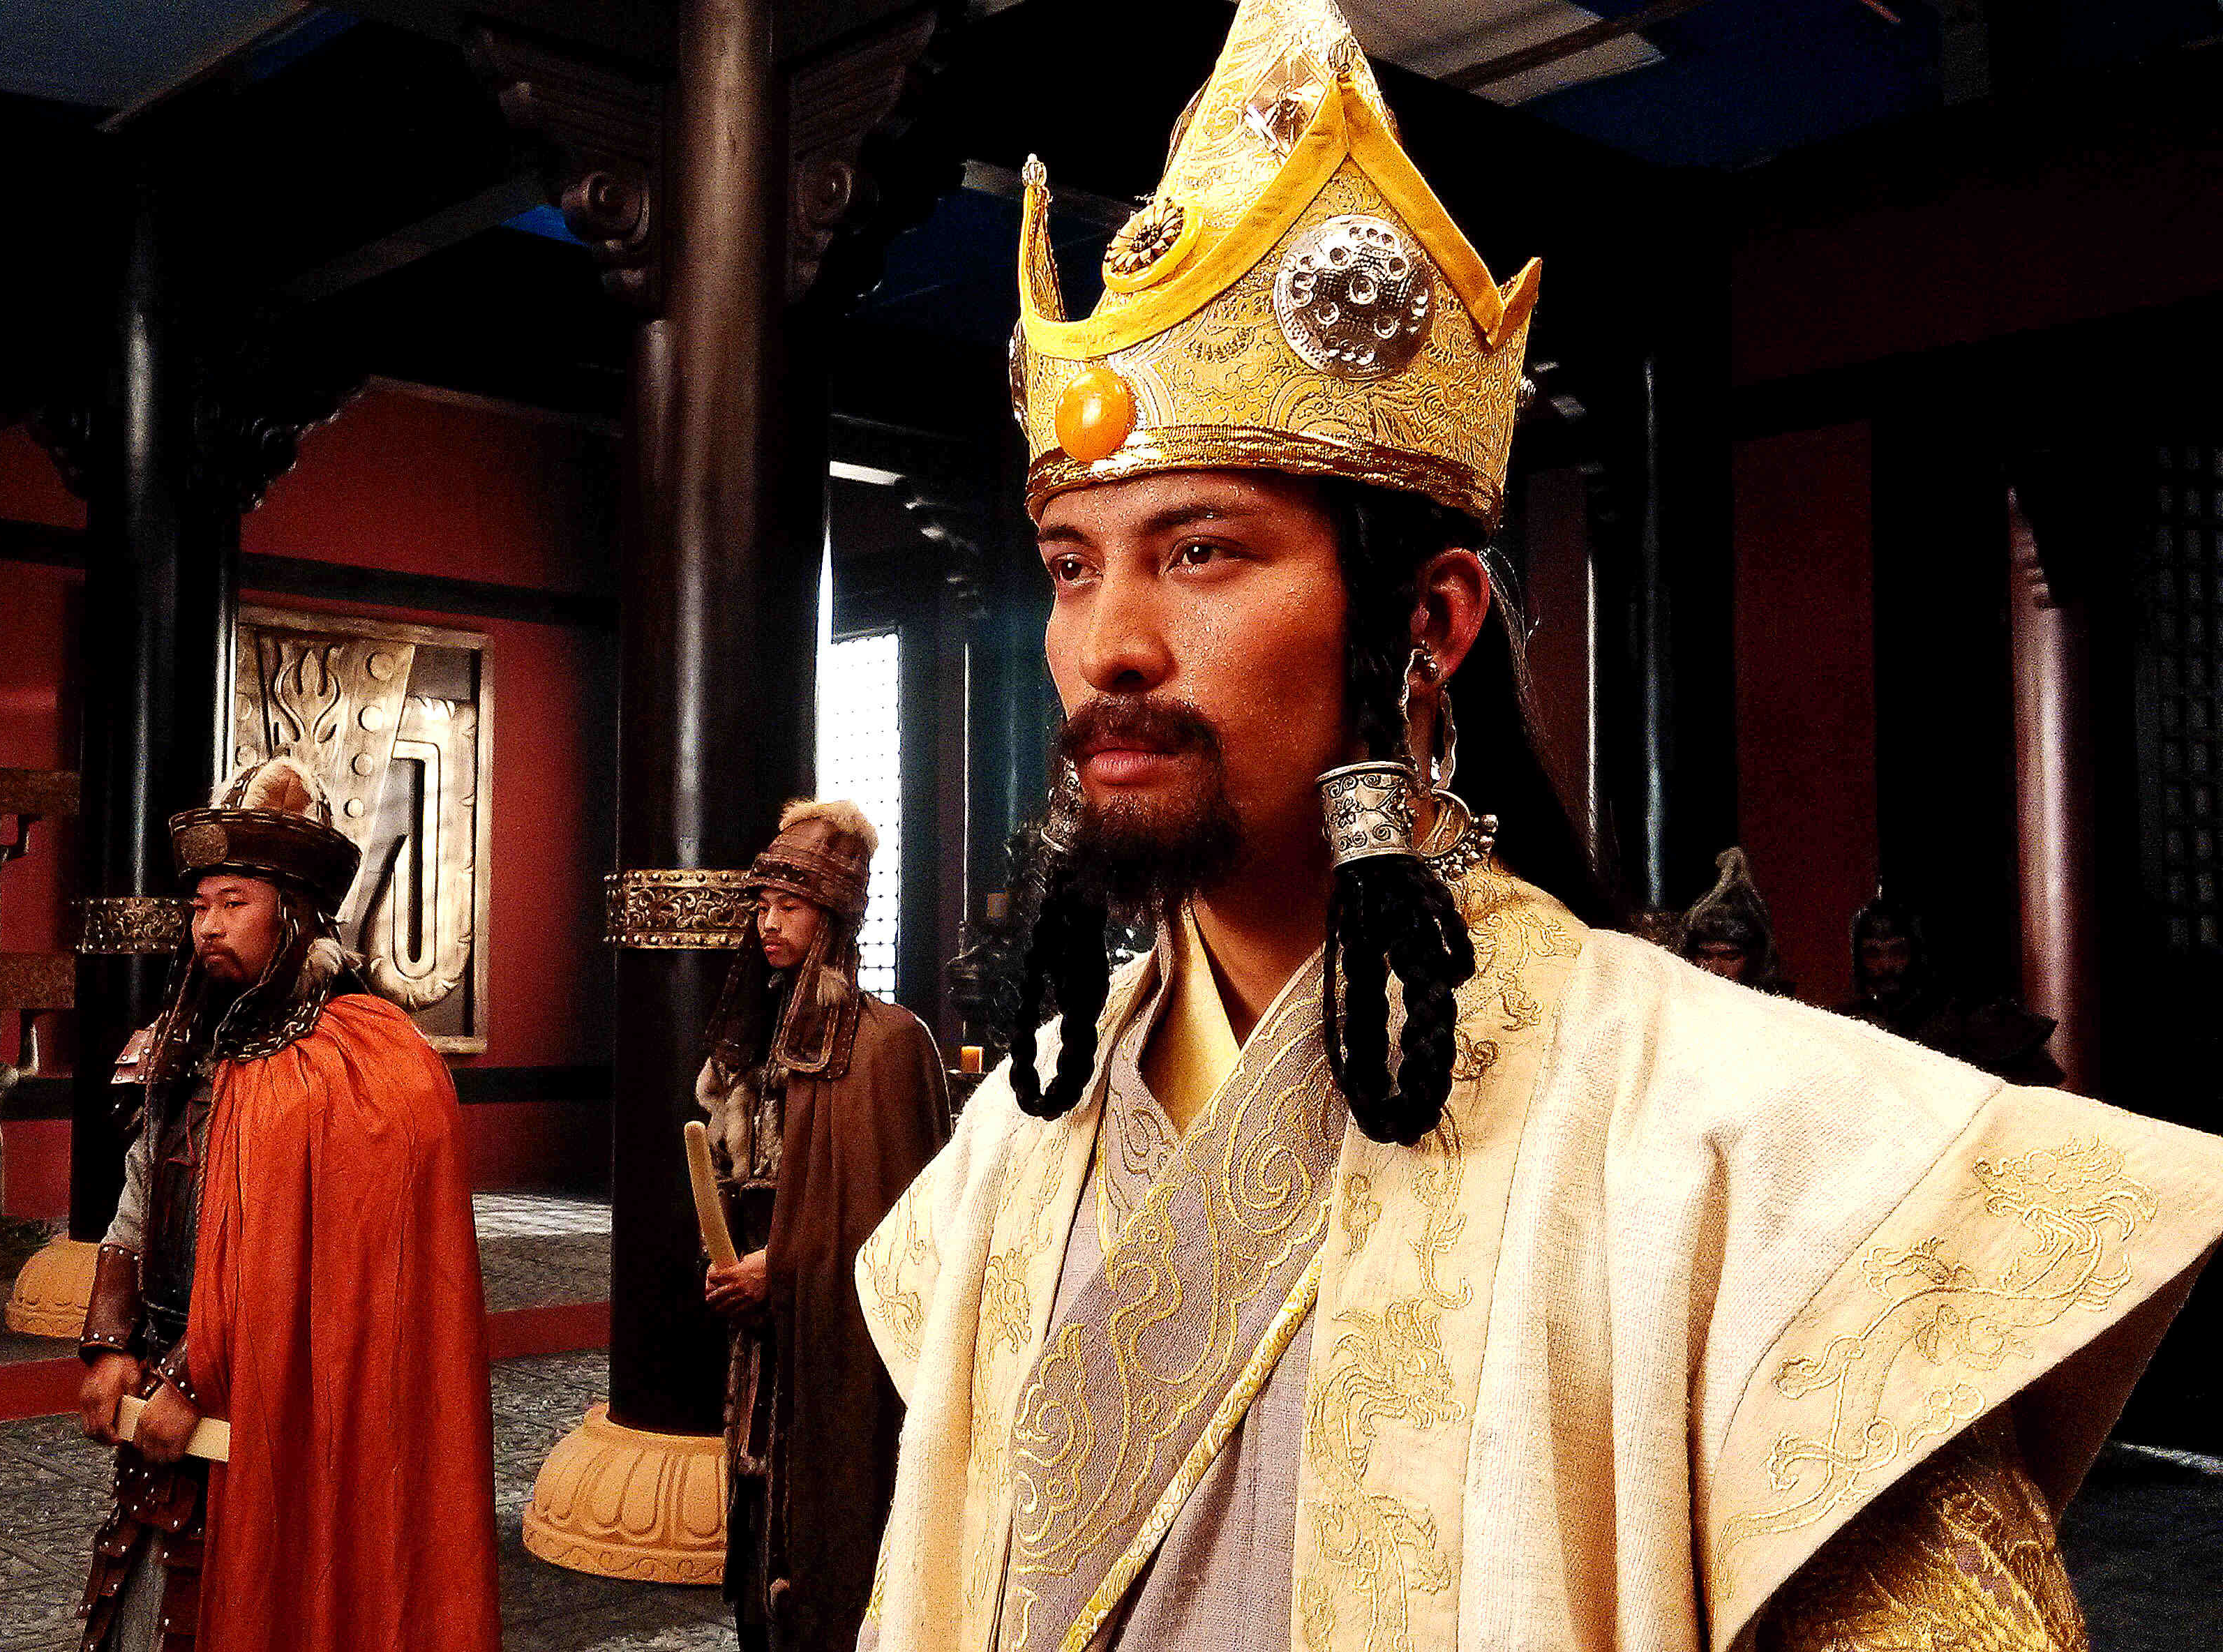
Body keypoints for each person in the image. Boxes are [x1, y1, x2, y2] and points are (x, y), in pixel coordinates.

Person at [851, 7, 2223, 1651]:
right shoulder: (1015, 1146)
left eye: (1200, 551)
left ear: (1427, 624)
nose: (1108, 644)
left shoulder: (1721, 1149)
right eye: (1073, 566)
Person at [75, 756, 497, 1652]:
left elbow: (320, 1274)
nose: (207, 926)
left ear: (294, 912)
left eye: (234, 903)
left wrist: (195, 1379)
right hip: (163, 1375)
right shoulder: (185, 1042)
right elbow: (139, 1196)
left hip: (292, 1396)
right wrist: (111, 1345)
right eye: (200, 905)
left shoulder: (369, 1062)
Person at [694, 799, 947, 1652]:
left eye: (790, 906)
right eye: (761, 906)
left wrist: (784, 1268)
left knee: (834, 1526)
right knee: (760, 1518)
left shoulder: (888, 1046)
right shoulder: (756, 1043)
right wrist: (733, 1262)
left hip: (843, 1354)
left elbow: (903, 1236)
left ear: (832, 914)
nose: (768, 923)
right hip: (764, 1347)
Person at [1837, 883, 2064, 1086]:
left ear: (1914, 953)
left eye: (1897, 951)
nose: (1886, 965)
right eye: (1873, 953)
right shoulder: (1851, 1024)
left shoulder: (1959, 1017)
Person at [1676, 845, 1794, 994]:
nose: (1714, 969)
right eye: (1705, 956)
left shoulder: (1775, 1007)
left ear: (1754, 960)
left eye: (1729, 957)